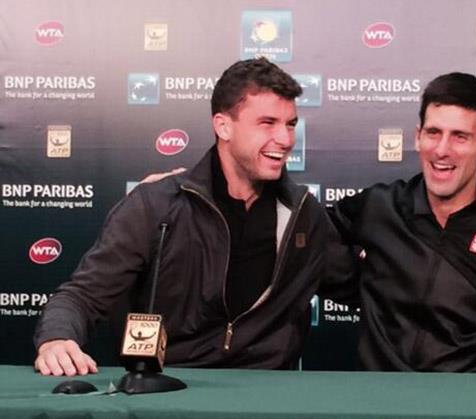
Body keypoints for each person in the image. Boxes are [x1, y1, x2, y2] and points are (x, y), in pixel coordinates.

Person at [33, 58, 327, 376]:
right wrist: (56, 340)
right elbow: (83, 295)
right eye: (267, 123)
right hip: (171, 383)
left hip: (268, 387)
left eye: (291, 124)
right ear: (223, 126)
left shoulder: (304, 214)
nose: (285, 139)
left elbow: (357, 279)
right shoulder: (156, 204)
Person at [326, 72, 476, 374]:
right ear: (417, 137)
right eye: (433, 133)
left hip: (470, 401)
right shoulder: (379, 207)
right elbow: (305, 243)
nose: (441, 150)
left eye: (460, 136)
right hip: (377, 397)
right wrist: (363, 284)